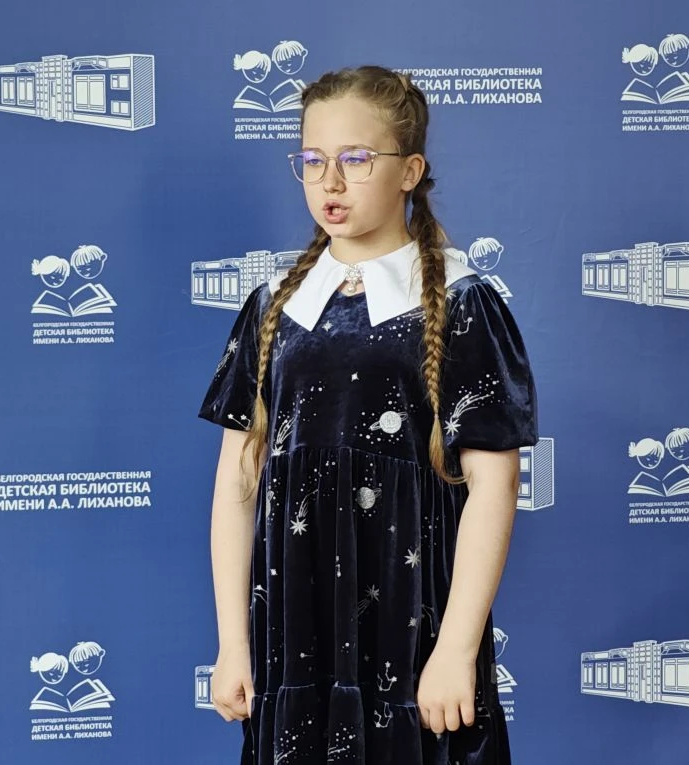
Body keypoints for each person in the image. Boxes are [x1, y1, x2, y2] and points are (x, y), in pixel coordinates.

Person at [198, 65, 538, 764]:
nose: (330, 181)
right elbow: (237, 483)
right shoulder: (273, 305)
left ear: (409, 170)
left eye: (356, 159)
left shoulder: (462, 302)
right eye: (312, 160)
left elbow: (494, 485)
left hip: (412, 631)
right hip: (293, 633)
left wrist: (457, 649)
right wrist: (234, 642)